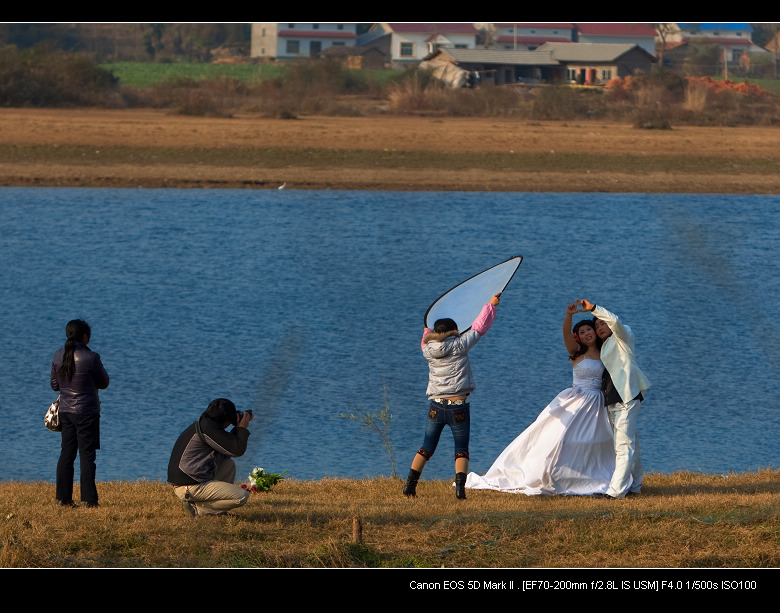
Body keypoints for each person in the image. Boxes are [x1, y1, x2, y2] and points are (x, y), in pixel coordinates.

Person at [465, 303, 615, 495]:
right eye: (582, 331)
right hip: (577, 400)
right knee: (561, 438)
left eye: (589, 330)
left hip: (597, 403)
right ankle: (554, 473)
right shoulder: (576, 352)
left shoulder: (605, 352)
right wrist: (568, 315)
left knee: (596, 442)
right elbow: (566, 334)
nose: (587, 333)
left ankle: (591, 476)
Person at [403, 293, 502, 500]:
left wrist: (427, 330)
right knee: (461, 449)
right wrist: (490, 306)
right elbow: (479, 328)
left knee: (426, 447)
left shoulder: (427, 350)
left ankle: (410, 486)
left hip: (436, 406)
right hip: (459, 406)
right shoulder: (460, 345)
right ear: (453, 332)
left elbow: (424, 340)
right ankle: (460, 490)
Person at [577, 299, 650, 499]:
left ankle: (615, 493)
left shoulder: (622, 336)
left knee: (623, 445)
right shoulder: (604, 346)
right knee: (629, 441)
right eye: (597, 325)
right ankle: (635, 486)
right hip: (613, 401)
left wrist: (593, 309)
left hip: (627, 397)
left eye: (602, 323)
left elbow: (615, 322)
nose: (600, 327)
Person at [51, 319, 110, 508]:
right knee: (87, 456)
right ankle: (89, 500)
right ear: (85, 337)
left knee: (66, 454)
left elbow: (54, 385)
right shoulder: (91, 357)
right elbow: (104, 382)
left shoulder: (58, 355)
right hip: (87, 412)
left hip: (66, 411)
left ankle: (63, 498)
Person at [168, 398, 253, 517]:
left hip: (189, 482)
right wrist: (242, 428)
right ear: (225, 419)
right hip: (189, 487)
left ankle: (212, 510)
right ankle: (201, 511)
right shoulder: (208, 430)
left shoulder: (205, 425)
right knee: (241, 496)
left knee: (228, 465)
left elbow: (228, 450)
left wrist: (237, 428)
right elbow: (237, 450)